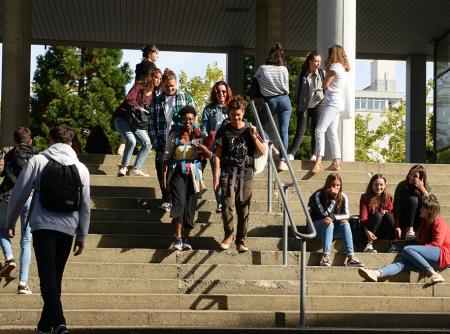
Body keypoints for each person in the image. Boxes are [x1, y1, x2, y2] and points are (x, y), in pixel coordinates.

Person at [6, 124, 91, 334]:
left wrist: (9, 222)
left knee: (47, 276)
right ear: (71, 143)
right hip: (68, 228)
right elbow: (85, 204)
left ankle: (60, 323)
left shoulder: (38, 161)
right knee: (56, 276)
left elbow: (19, 193)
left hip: (42, 226)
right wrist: (82, 235)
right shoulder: (81, 169)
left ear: (51, 140)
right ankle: (45, 327)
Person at [213, 96, 266, 252]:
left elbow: (262, 151)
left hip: (245, 173)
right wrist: (216, 177)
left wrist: (254, 135)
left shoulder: (250, 129)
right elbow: (217, 155)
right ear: (228, 114)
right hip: (228, 172)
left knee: (243, 208)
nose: (236, 118)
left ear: (243, 113)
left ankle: (241, 240)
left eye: (238, 114)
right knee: (227, 205)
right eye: (233, 115)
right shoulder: (224, 129)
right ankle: (229, 234)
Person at [358, 198, 449, 284]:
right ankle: (376, 273)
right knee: (401, 262)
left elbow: (437, 244)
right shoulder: (424, 224)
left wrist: (417, 250)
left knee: (408, 249)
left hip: (442, 254)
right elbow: (420, 242)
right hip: (429, 257)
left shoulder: (440, 222)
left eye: (423, 208)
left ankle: (432, 273)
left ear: (430, 210)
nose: (420, 209)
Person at [163, 106, 212, 251]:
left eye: (190, 119)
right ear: (181, 119)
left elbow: (210, 155)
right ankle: (177, 238)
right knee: (179, 202)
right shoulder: (175, 136)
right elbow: (167, 157)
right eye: (185, 119)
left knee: (190, 205)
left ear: (194, 119)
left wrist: (203, 148)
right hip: (178, 173)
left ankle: (186, 240)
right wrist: (164, 179)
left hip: (195, 174)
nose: (188, 121)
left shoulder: (200, 135)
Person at [149, 69, 195, 212]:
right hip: (163, 142)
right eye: (167, 86)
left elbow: (194, 119)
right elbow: (151, 123)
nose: (170, 89)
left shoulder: (185, 98)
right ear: (162, 85)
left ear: (176, 83)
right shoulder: (156, 101)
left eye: (172, 86)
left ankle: (175, 199)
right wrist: (156, 143)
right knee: (160, 169)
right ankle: (167, 198)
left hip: (181, 142)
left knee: (177, 172)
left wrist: (192, 139)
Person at [0, 127, 37, 295]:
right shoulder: (37, 156)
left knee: (1, 228)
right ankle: (23, 283)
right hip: (28, 197)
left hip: (8, 196)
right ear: (30, 140)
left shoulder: (9, 153)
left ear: (16, 140)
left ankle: (8, 257)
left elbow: (6, 174)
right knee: (26, 240)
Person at [309, 172, 364, 267]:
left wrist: (333, 217)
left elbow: (346, 215)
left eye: (338, 185)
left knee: (345, 222)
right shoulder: (318, 195)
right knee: (328, 221)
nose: (336, 188)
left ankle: (351, 257)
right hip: (315, 228)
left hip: (332, 229)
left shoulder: (343, 197)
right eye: (333, 185)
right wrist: (334, 199)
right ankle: (326, 256)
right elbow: (324, 214)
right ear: (327, 185)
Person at [311, 45, 350, 174]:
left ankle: (318, 161)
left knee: (319, 130)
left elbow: (324, 85)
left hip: (332, 102)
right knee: (332, 132)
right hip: (339, 102)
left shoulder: (334, 67)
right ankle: (336, 161)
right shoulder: (343, 69)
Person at [254, 42, 292, 172]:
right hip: (285, 100)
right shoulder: (284, 69)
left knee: (257, 125)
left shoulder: (262, 69)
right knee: (284, 131)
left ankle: (269, 142)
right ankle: (282, 160)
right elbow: (286, 87)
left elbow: (255, 83)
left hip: (271, 101)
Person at [200, 80, 233, 213]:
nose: (221, 94)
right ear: (214, 92)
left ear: (227, 92)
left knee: (228, 176)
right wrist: (207, 138)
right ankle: (220, 203)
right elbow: (202, 129)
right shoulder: (209, 109)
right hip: (214, 148)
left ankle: (227, 200)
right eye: (218, 91)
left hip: (230, 147)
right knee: (217, 174)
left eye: (223, 91)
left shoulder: (231, 108)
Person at [113, 72, 153, 177]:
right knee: (131, 140)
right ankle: (124, 167)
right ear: (150, 78)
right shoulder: (138, 87)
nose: (157, 80)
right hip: (122, 119)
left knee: (148, 143)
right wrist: (139, 108)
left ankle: (136, 169)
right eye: (156, 78)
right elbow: (129, 99)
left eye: (159, 79)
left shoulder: (154, 96)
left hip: (136, 124)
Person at [288, 51, 324, 161]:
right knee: (300, 130)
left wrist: (323, 97)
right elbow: (297, 90)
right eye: (316, 61)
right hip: (303, 105)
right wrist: (296, 103)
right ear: (310, 61)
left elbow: (326, 88)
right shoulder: (303, 73)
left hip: (318, 104)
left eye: (319, 61)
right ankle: (292, 153)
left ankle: (314, 154)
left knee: (315, 131)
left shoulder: (322, 73)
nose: (318, 63)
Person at [394, 164, 436, 241]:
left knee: (419, 201)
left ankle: (416, 232)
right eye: (410, 174)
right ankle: (410, 230)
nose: (411, 177)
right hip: (404, 217)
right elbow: (397, 206)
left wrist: (422, 189)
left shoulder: (426, 186)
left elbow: (434, 204)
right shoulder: (402, 185)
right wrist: (397, 225)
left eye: (415, 176)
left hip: (419, 217)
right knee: (412, 200)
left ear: (421, 178)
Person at [360, 174, 397, 253]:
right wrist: (367, 231)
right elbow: (363, 217)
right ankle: (368, 244)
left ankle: (393, 244)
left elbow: (391, 214)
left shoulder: (388, 197)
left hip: (384, 230)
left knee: (388, 215)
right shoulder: (365, 197)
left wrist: (386, 212)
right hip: (370, 230)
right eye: (376, 184)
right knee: (377, 215)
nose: (379, 187)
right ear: (371, 185)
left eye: (381, 185)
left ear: (385, 186)